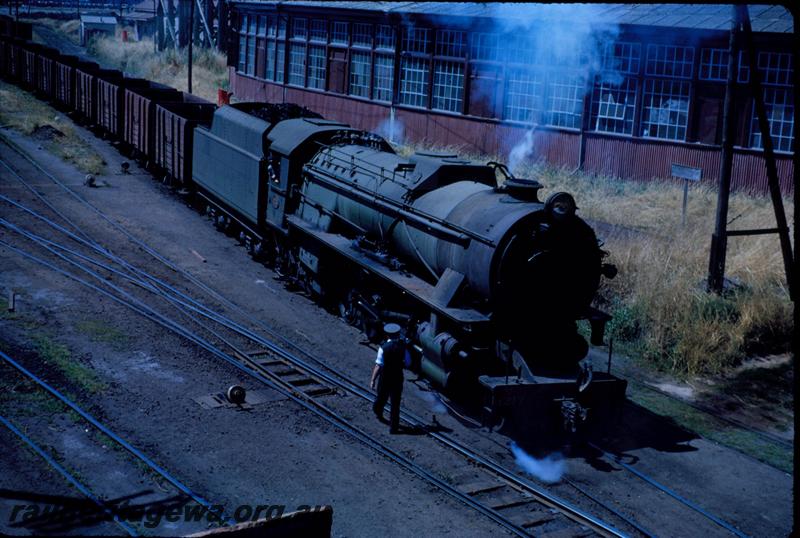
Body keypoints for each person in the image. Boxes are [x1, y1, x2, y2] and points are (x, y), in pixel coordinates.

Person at [370, 323, 411, 434]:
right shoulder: (403, 348)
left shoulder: (383, 348)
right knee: (395, 404)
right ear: (398, 334)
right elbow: (408, 363)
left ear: (387, 335)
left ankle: (378, 411)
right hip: (397, 378)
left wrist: (373, 379)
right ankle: (394, 428)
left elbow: (379, 365)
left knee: (381, 397)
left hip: (385, 378)